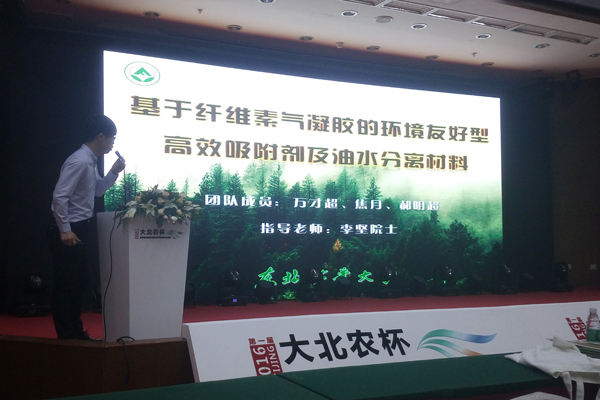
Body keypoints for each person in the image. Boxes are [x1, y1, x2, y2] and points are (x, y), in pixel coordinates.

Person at [48, 115, 125, 340]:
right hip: (68, 230)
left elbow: (98, 190)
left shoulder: (90, 161)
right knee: (66, 286)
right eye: (112, 137)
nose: (113, 142)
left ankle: (75, 334)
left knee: (78, 284)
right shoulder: (80, 161)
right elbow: (59, 197)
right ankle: (67, 337)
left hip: (79, 228)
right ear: (100, 136)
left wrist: (113, 172)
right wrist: (64, 229)